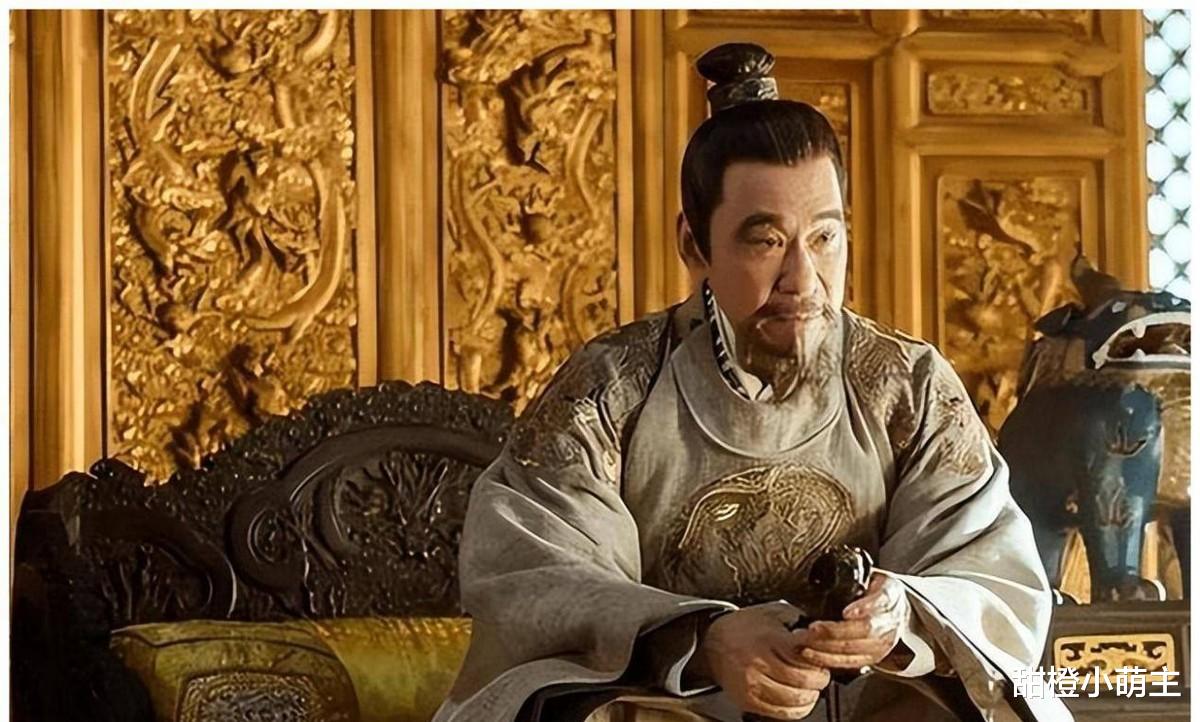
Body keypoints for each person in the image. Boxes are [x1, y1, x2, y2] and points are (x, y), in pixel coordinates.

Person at [433, 42, 1072, 722]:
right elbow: (539, 574)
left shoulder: (905, 385)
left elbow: (988, 571)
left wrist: (901, 614)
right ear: (694, 243)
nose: (803, 279)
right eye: (765, 242)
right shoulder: (613, 389)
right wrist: (702, 640)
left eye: (824, 238)